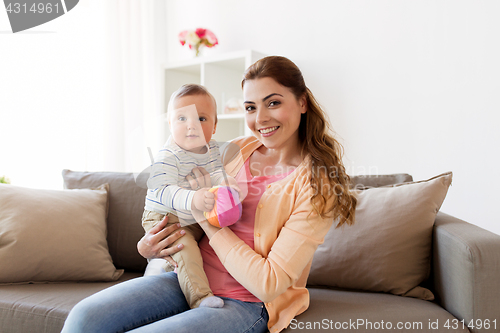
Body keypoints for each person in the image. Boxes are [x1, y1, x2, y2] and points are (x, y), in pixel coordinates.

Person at [61, 56, 357, 333]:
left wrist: (204, 218)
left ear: (302, 102)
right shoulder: (235, 149)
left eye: (274, 103)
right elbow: (171, 183)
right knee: (85, 317)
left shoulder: (319, 187)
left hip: (247, 303)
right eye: (251, 107)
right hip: (188, 280)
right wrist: (148, 247)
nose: (261, 118)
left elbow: (269, 284)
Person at [142, 83, 239, 309]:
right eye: (182, 118)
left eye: (201, 119)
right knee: (185, 248)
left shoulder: (212, 149)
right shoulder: (168, 154)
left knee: (208, 244)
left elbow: (216, 173)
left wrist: (225, 183)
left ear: (214, 126)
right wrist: (193, 198)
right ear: (170, 123)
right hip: (163, 216)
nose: (191, 126)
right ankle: (200, 298)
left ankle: (174, 268)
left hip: (190, 214)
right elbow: (165, 190)